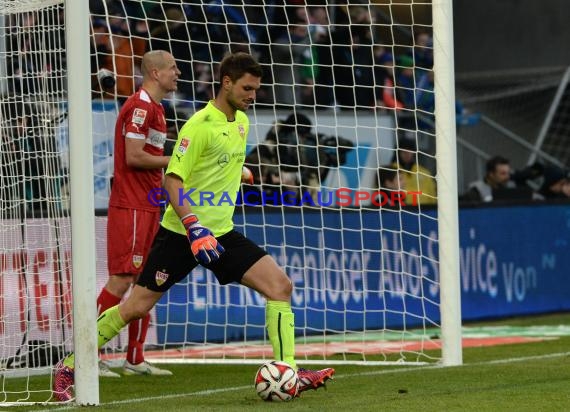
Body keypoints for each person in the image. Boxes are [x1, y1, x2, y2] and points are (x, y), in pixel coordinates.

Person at [53, 52, 334, 401]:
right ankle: (69, 365)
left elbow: (220, 162)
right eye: (247, 88)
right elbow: (172, 182)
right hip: (183, 234)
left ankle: (288, 372)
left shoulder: (242, 122)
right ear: (226, 83)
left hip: (220, 233)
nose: (252, 95)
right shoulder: (198, 125)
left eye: (256, 89)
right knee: (136, 306)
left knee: (280, 286)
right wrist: (194, 228)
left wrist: (239, 172)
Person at [96, 50, 179, 378]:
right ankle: (92, 355)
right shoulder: (141, 106)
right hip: (130, 205)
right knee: (123, 278)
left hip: (148, 204)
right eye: (172, 68)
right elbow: (133, 156)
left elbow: (150, 158)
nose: (178, 73)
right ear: (156, 73)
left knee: (146, 282)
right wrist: (176, 161)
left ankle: (134, 357)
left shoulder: (156, 108)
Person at [390, 137, 436, 205]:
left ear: (414, 152)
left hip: (425, 211)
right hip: (401, 211)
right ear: (398, 152)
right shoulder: (390, 171)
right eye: (403, 151)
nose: (407, 153)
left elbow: (433, 196)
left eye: (410, 150)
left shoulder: (424, 172)